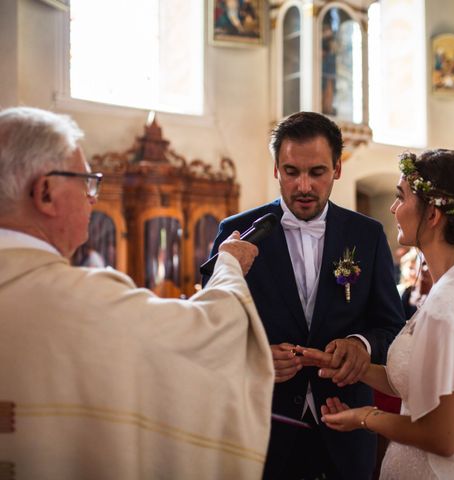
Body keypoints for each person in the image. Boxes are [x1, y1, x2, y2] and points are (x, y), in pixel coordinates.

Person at [0, 107, 274, 479]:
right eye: (86, 182)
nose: (93, 198)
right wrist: (227, 265)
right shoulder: (88, 303)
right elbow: (207, 336)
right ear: (45, 191)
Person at [202, 111, 404, 479]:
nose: (304, 186)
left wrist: (361, 345)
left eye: (317, 172)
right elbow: (211, 328)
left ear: (338, 169)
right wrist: (257, 357)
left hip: (347, 421)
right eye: (292, 172)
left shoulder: (368, 235)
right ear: (276, 169)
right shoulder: (236, 233)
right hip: (265, 425)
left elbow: (392, 325)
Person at [305, 149, 454, 479]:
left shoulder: (449, 304)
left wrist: (364, 418)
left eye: (401, 197)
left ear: (433, 214)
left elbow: (442, 437)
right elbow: (417, 381)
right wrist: (351, 367)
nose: (393, 208)